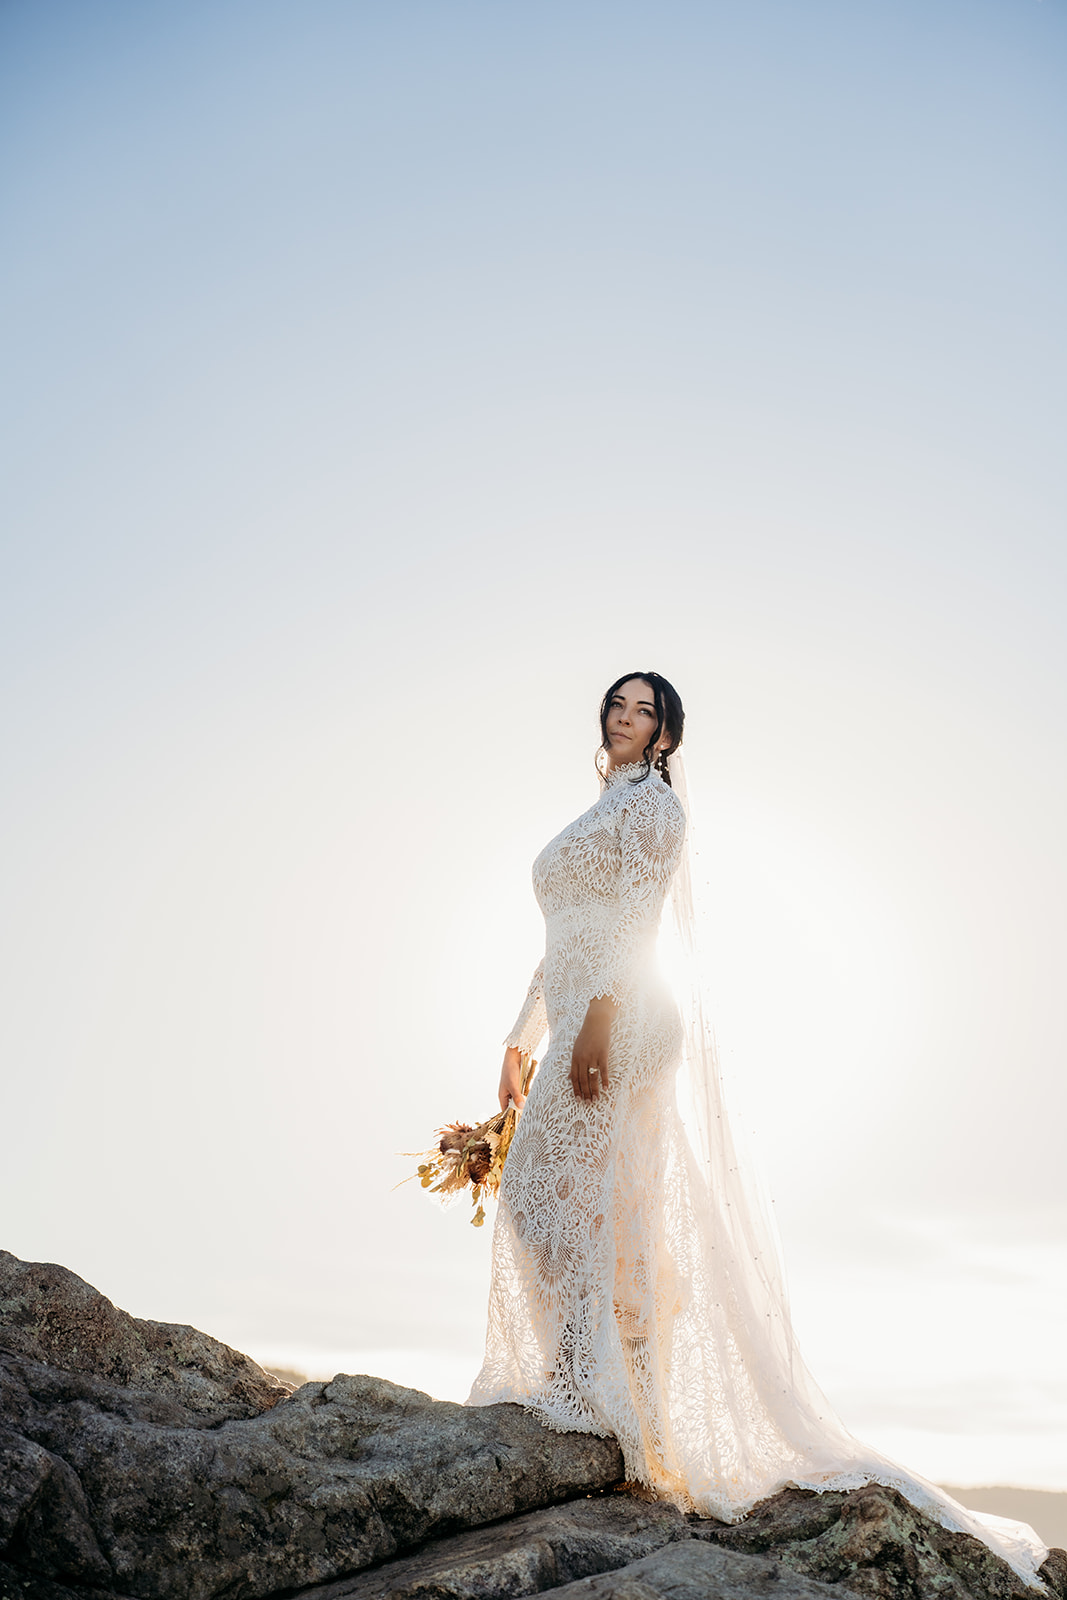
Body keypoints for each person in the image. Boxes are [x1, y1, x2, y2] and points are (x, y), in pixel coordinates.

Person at [467, 670, 1048, 1589]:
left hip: (620, 1020)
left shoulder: (653, 809)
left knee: (548, 1199)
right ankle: (595, 1386)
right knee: (576, 1205)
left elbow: (632, 921)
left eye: (643, 711)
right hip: (578, 1012)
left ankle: (587, 1388)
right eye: (616, 704)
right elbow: (564, 936)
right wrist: (518, 1039)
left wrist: (596, 1024)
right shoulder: (600, 807)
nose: (624, 718)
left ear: (665, 735)